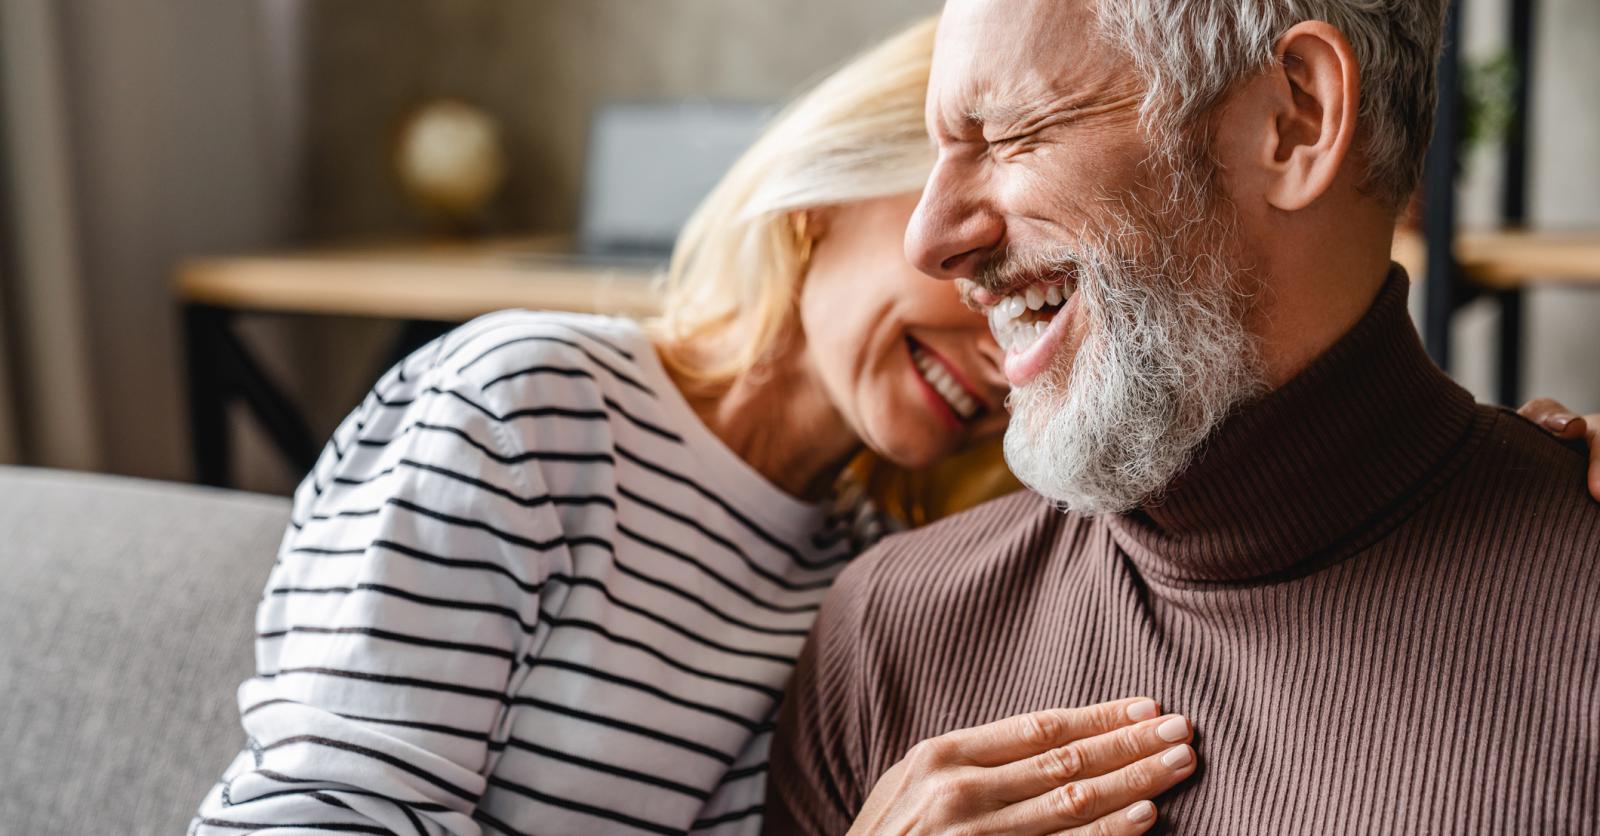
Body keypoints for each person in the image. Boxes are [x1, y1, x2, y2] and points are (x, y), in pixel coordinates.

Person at [767, 2, 1600, 834]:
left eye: (1011, 134)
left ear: (1294, 120)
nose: (931, 237)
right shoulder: (888, 636)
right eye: (941, 151)